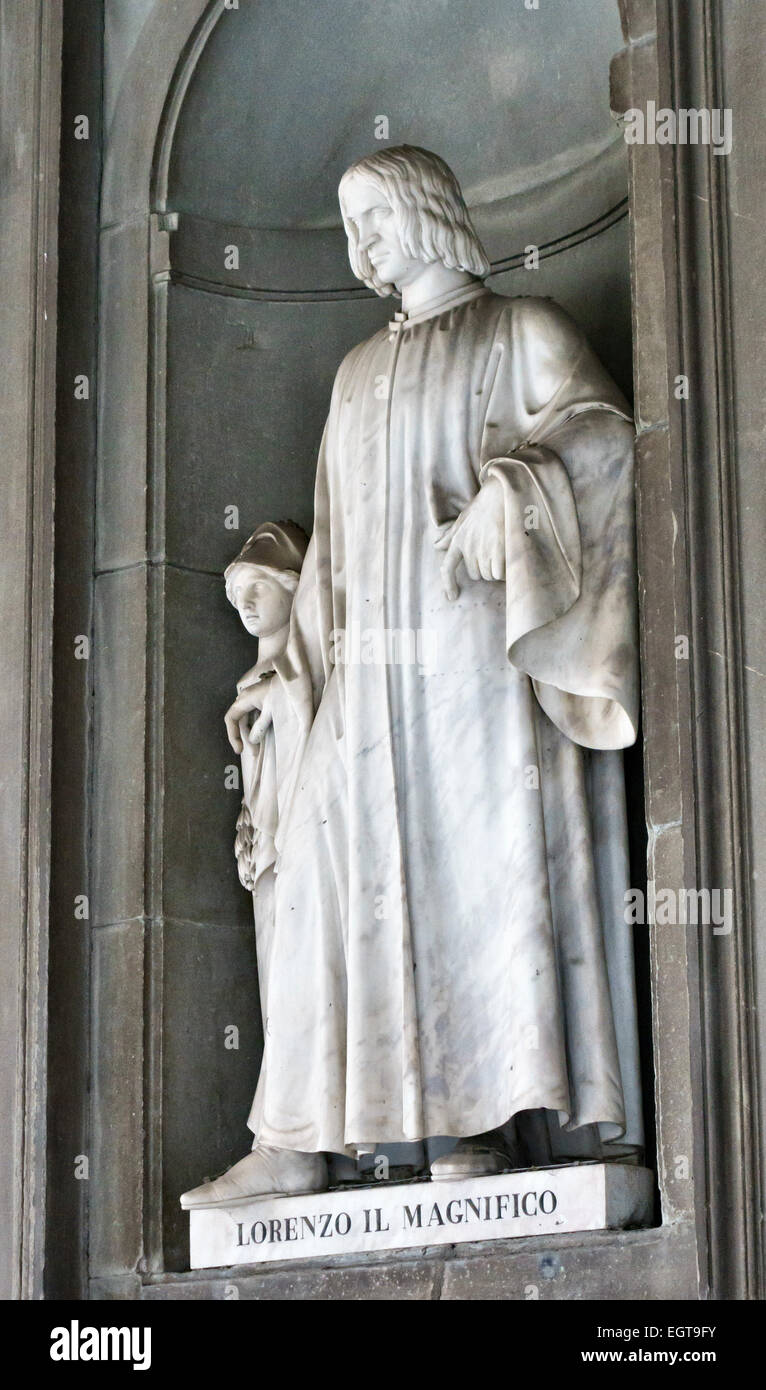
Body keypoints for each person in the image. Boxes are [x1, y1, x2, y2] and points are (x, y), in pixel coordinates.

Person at [182, 146, 642, 1211]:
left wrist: (516, 490)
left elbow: (607, 438)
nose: (360, 244)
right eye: (347, 226)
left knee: (479, 883)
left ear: (428, 212)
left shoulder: (518, 331)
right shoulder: (352, 374)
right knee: (330, 892)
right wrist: (289, 689)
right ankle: (296, 1137)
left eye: (374, 217)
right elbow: (332, 559)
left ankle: (474, 1139)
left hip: (476, 685)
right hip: (363, 692)